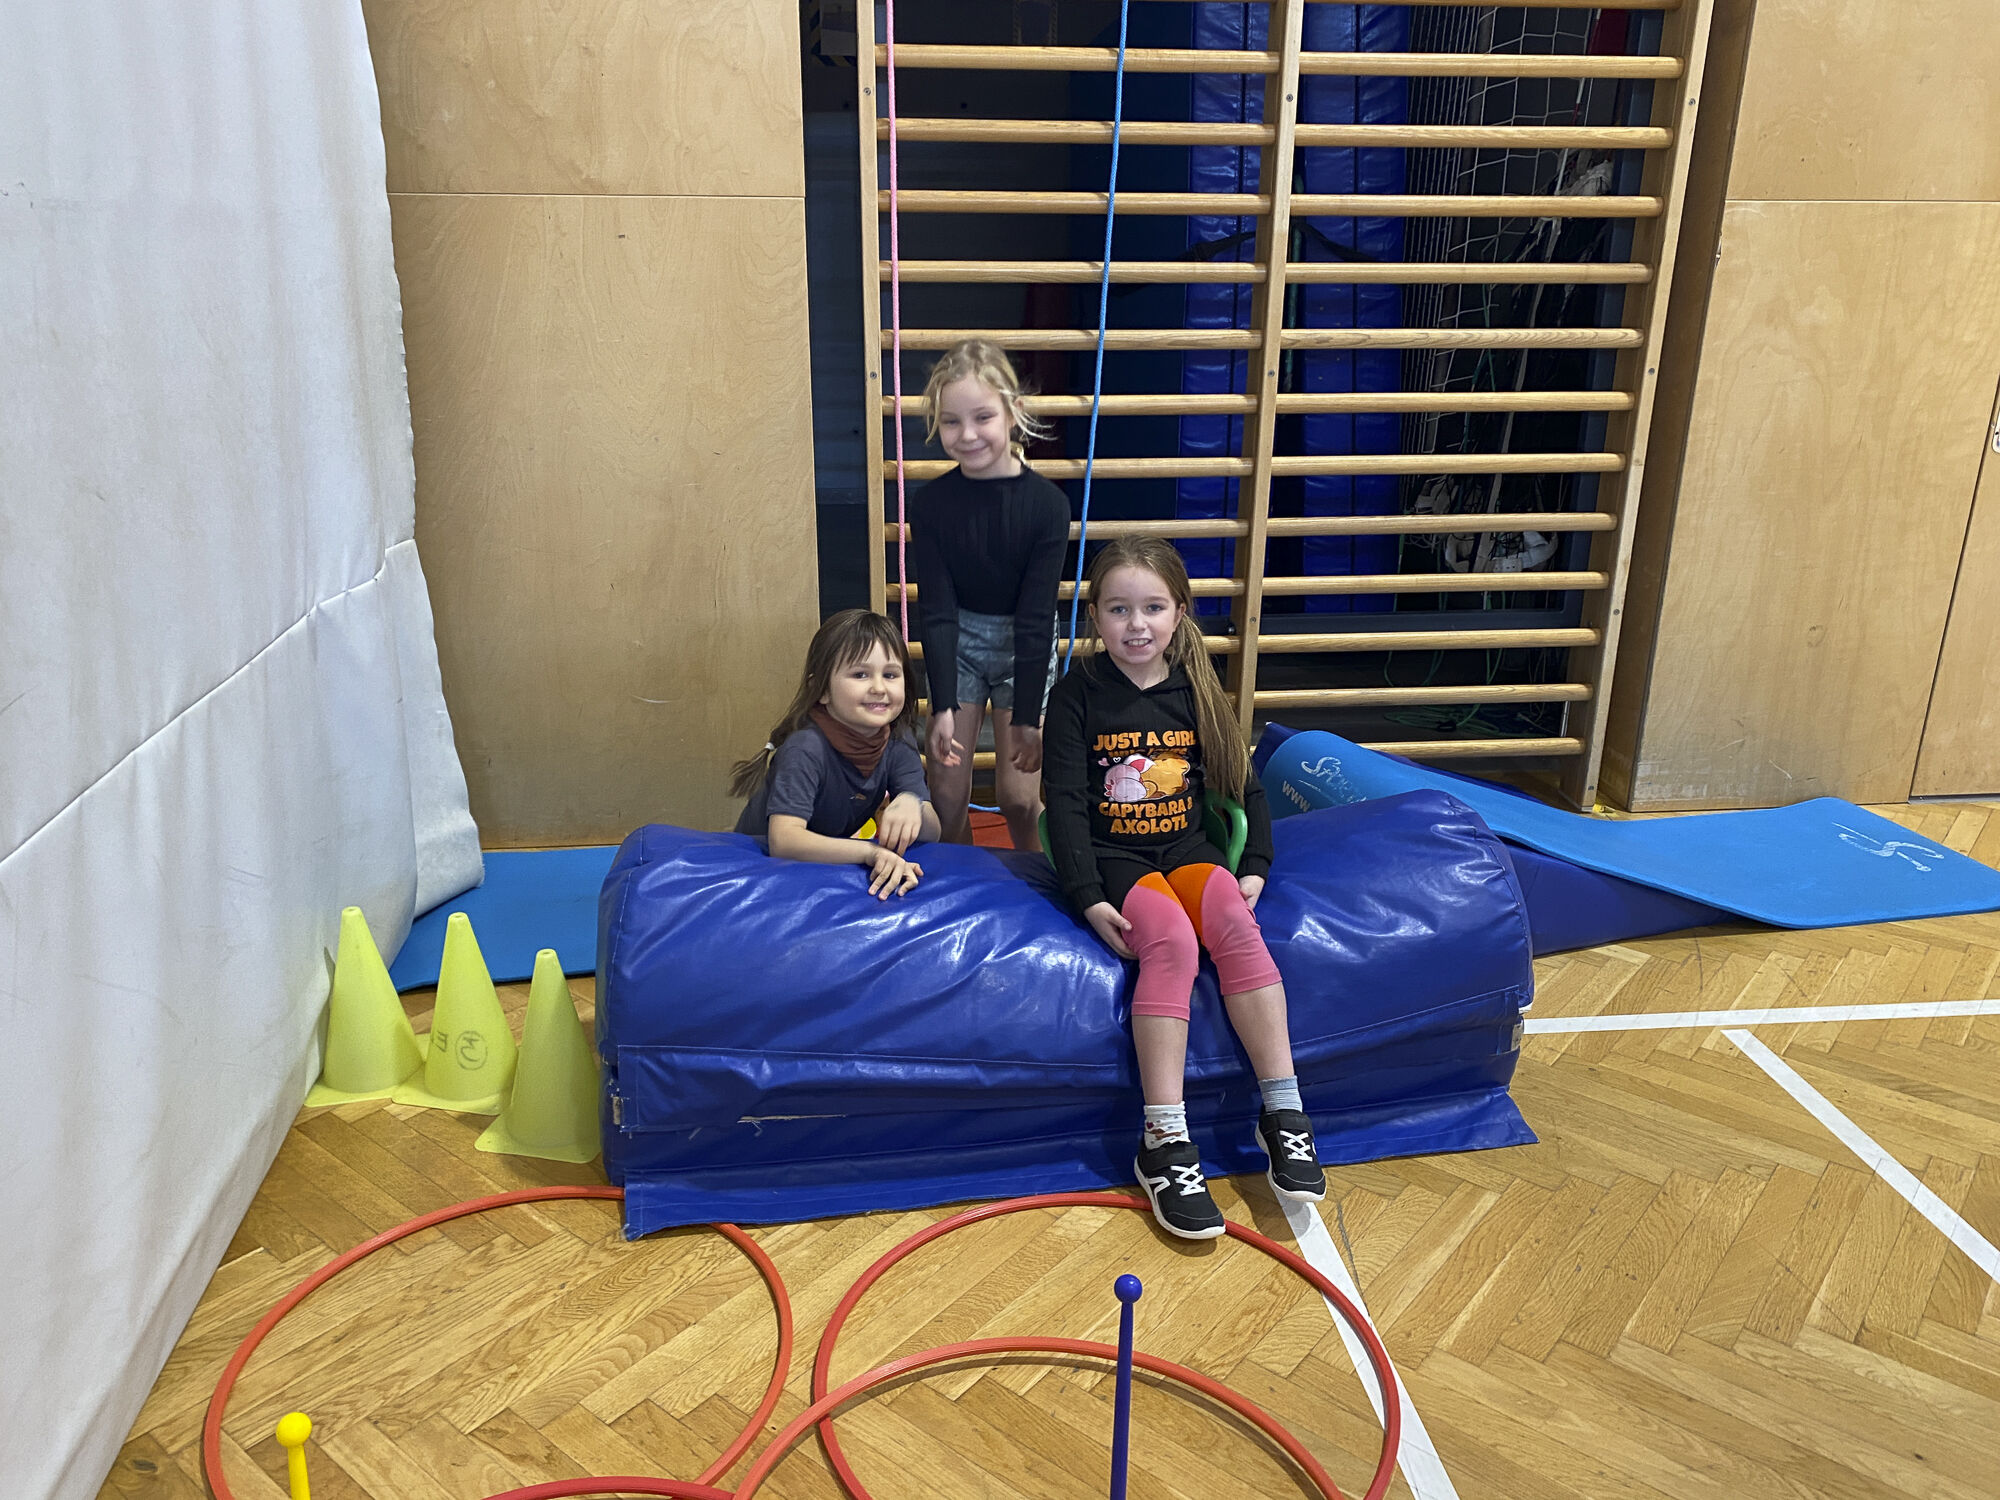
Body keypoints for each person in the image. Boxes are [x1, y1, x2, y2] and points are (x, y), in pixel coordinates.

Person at [1042, 537, 1326, 1239]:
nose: (1136, 625)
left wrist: (1254, 864)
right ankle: (1164, 1139)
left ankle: (1284, 1109)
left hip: (1188, 849)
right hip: (1116, 858)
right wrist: (1087, 895)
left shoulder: (1197, 688)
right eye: (1118, 609)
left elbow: (1241, 782)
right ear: (1095, 616)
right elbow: (1065, 804)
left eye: (1152, 608)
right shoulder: (1077, 694)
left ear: (1179, 613)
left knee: (1232, 918)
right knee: (1170, 940)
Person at [910, 339, 1070, 851]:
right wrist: (940, 704)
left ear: (1012, 412)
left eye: (982, 417)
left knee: (1018, 798)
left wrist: (1027, 716)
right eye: (951, 422)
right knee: (946, 792)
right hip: (958, 638)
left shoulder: (1047, 506)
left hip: (1024, 643)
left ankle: (1036, 879)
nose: (967, 434)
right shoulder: (932, 505)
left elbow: (1036, 617)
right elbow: (937, 611)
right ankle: (964, 883)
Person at [730, 609, 939, 899]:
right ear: (822, 690)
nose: (879, 687)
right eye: (860, 674)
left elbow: (933, 832)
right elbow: (784, 841)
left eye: (890, 675)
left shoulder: (897, 738)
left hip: (818, 866)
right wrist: (869, 852)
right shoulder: (806, 748)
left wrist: (912, 803)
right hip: (754, 872)